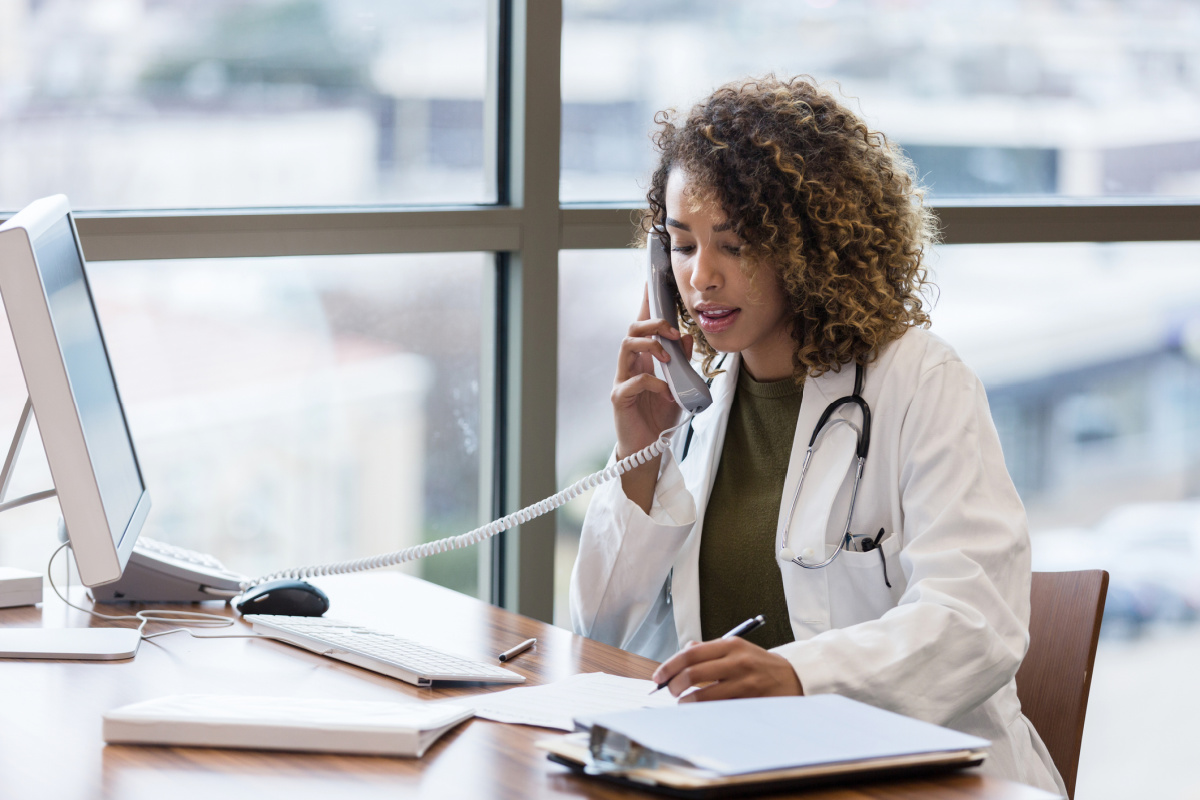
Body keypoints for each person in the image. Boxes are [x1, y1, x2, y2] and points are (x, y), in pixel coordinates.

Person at [569, 75, 1066, 795]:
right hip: (752, 772)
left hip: (917, 779)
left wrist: (800, 674)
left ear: (808, 246)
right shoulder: (693, 413)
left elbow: (974, 622)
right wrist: (638, 461)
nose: (699, 278)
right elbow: (599, 635)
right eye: (679, 246)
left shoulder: (921, 382)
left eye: (732, 245)